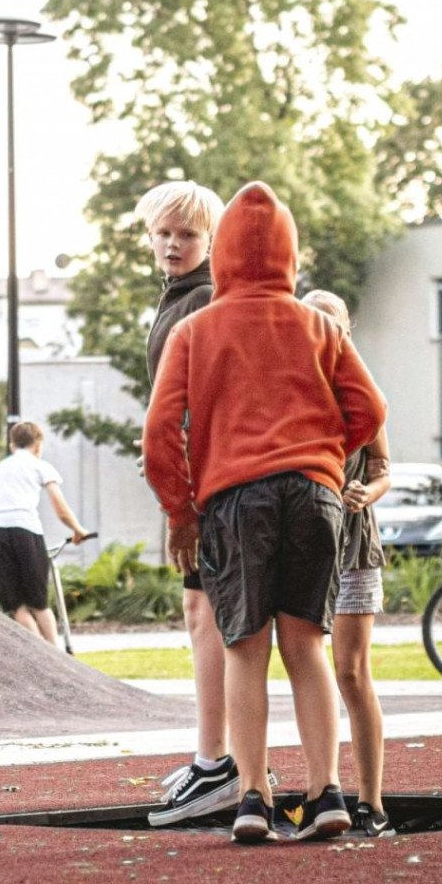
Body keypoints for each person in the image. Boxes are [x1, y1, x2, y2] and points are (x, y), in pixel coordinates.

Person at [143, 183, 386, 844]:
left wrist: (181, 512)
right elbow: (370, 409)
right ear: (289, 252)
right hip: (314, 495)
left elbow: (159, 430)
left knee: (244, 647)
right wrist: (327, 457)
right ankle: (326, 792)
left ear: (220, 250)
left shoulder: (195, 328)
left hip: (234, 498)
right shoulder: (318, 325)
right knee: (306, 643)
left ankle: (253, 797)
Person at [130, 181, 244, 826]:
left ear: (211, 240)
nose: (173, 244)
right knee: (204, 611)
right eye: (163, 233)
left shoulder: (200, 298)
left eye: (188, 235)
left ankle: (217, 761)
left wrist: (183, 492)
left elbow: (197, 399)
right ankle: (220, 755)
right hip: (201, 474)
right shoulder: (181, 296)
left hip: (207, 482)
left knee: (207, 613)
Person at [301, 289, 395, 839]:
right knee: (302, 665)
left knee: (351, 672)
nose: (319, 328)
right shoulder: (284, 388)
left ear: (346, 331)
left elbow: (383, 467)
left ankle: (371, 803)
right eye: (309, 318)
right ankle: (321, 791)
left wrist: (368, 492)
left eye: (329, 321)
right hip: (301, 544)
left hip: (354, 545)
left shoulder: (363, 392)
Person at [0, 421, 90, 644]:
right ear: (38, 445)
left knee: (17, 605)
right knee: (39, 603)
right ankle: (56, 656)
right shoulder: (40, 466)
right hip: (25, 530)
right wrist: (78, 530)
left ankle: (40, 654)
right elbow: (60, 508)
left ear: (12, 446)